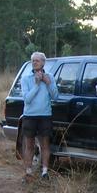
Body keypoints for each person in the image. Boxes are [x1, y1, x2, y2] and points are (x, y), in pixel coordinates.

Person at [21, 51, 59, 181]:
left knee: (45, 145)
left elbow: (55, 96)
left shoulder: (50, 77)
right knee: (29, 144)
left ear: (43, 62)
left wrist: (48, 83)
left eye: (37, 60)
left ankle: (44, 172)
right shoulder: (26, 78)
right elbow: (27, 99)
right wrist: (37, 84)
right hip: (30, 116)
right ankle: (28, 172)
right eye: (33, 60)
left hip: (45, 115)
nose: (34, 62)